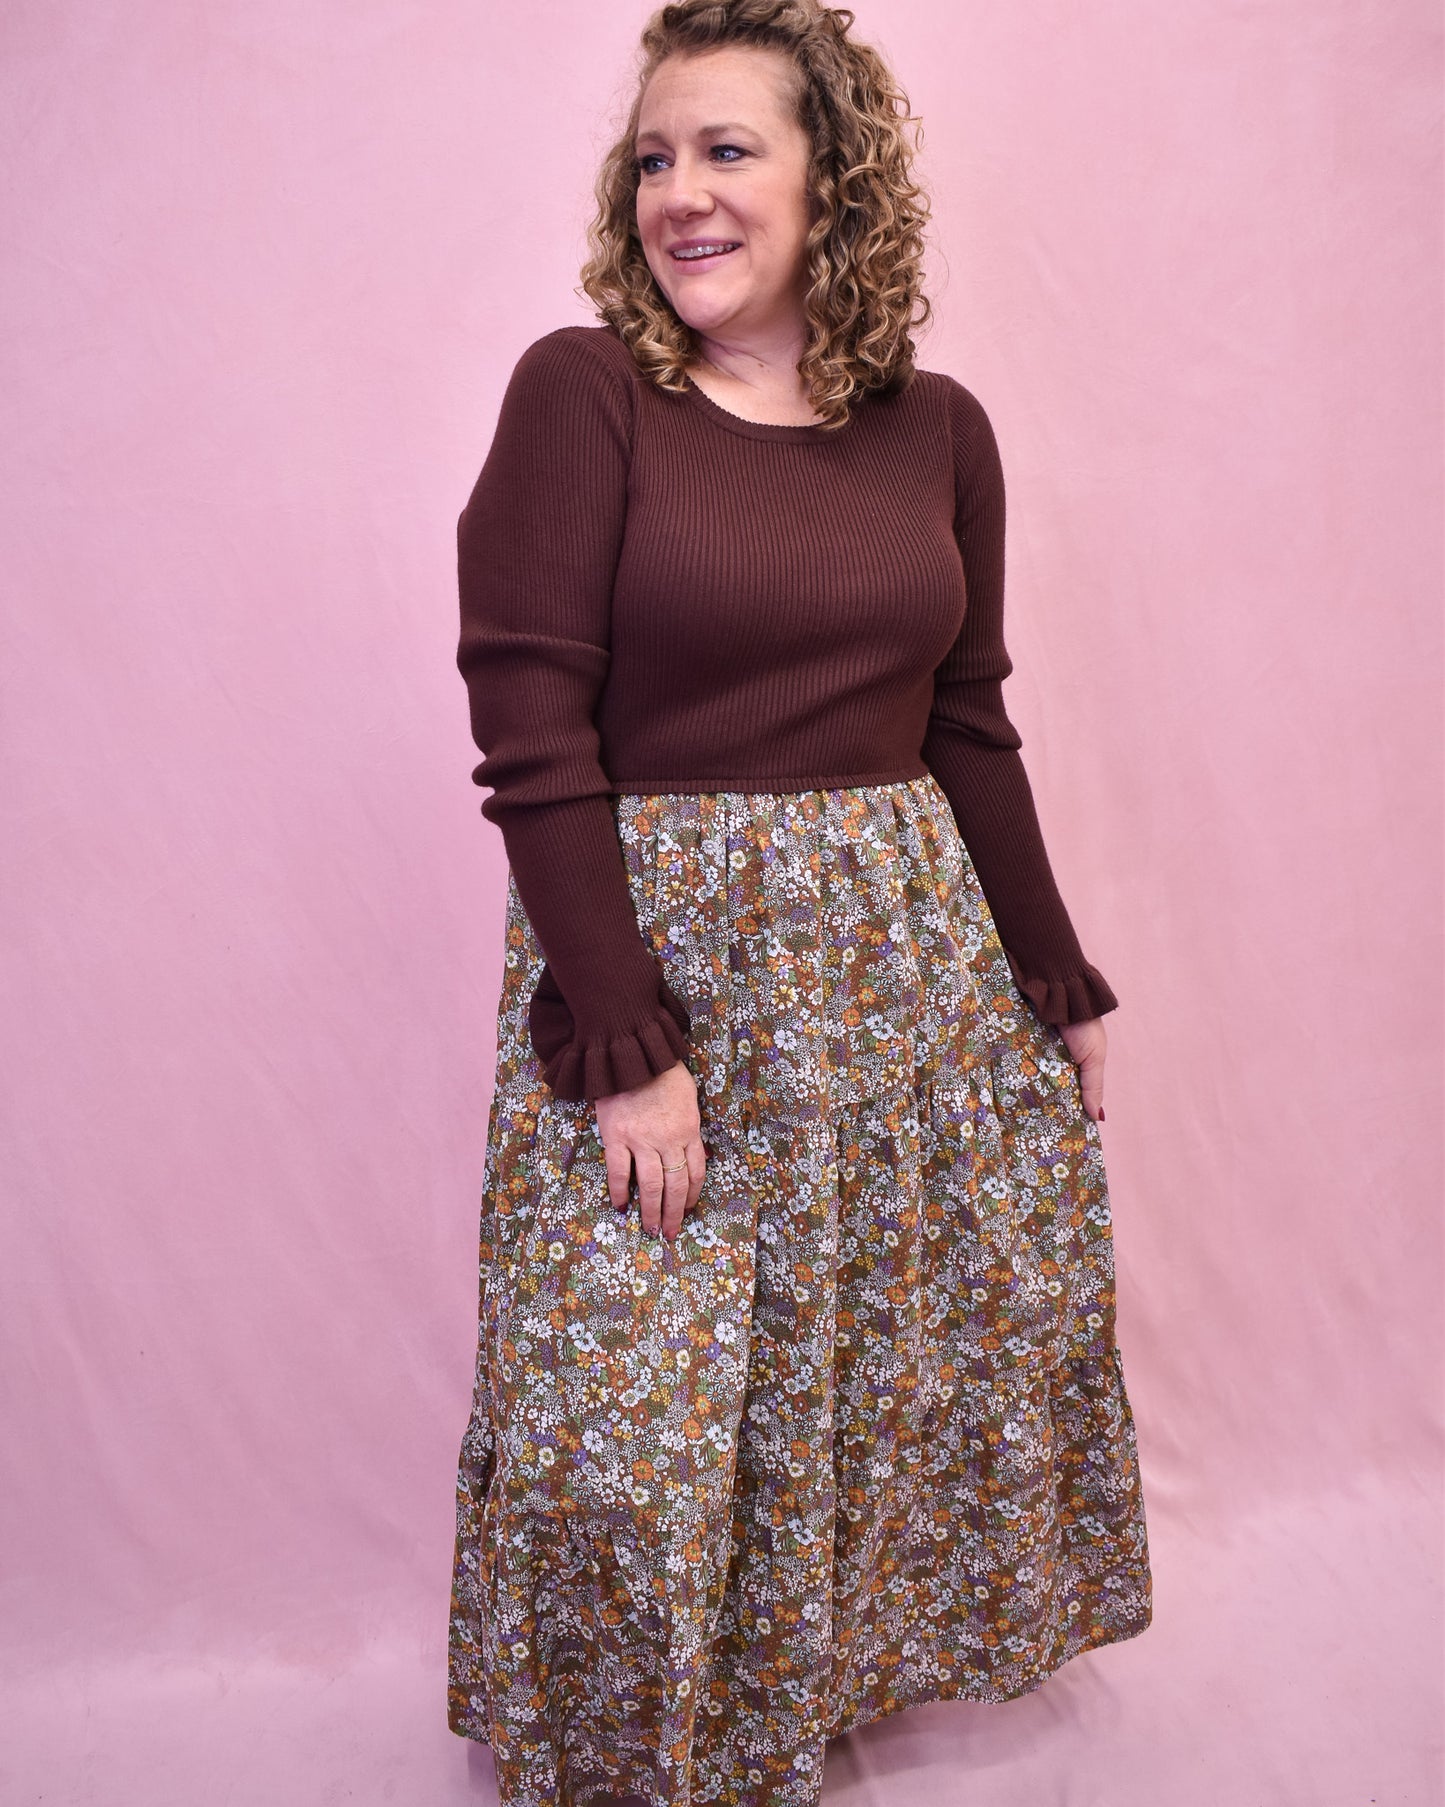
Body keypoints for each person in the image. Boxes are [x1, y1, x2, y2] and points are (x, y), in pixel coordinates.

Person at [445, 3, 1153, 1803]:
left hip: (896, 967)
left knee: (863, 1365)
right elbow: (531, 724)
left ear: (834, 177)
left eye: (728, 149)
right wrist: (620, 1041)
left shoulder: (938, 430)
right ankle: (629, 1759)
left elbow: (964, 719)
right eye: (655, 156)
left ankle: (788, 1711)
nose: (679, 191)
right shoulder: (584, 390)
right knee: (636, 1403)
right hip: (668, 966)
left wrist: (1050, 979)